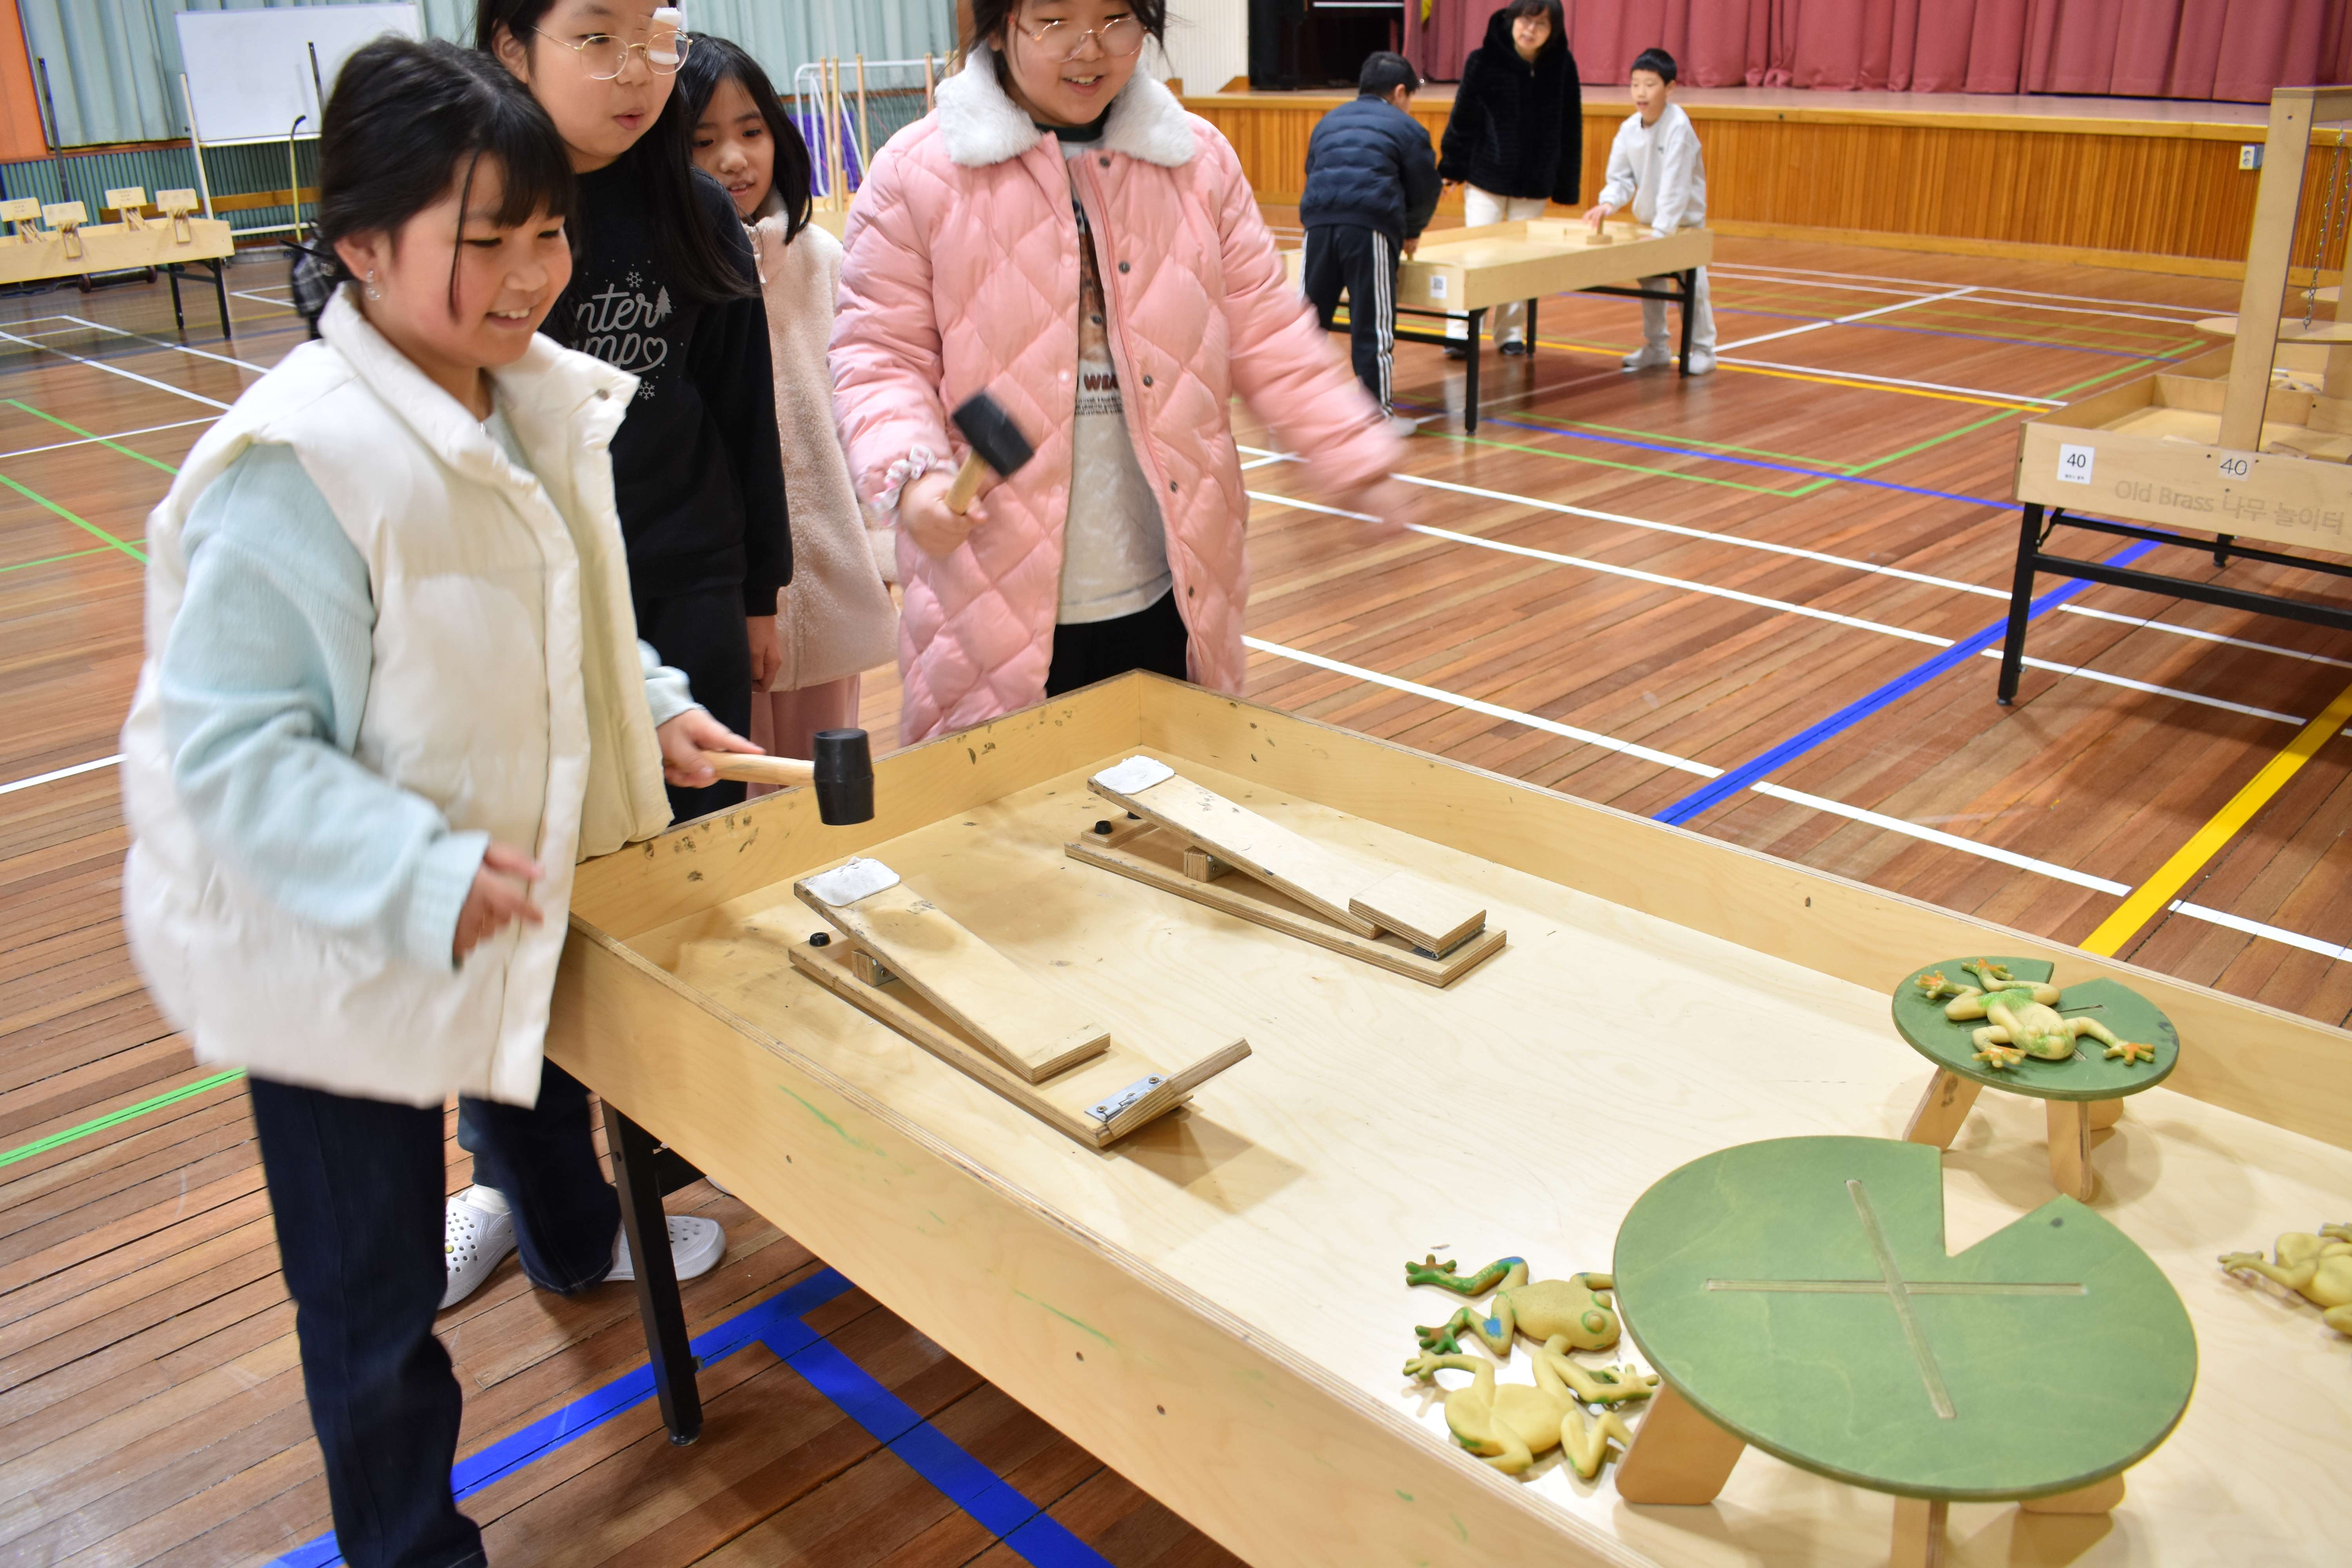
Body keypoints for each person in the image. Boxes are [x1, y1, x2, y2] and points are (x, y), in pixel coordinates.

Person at [118, 39, 762, 1567]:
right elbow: (235, 755)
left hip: (482, 874)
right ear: (358, 244)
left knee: (532, 1079)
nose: (530, 271)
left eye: (546, 231)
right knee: (372, 1294)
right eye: (484, 239)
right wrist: (418, 871)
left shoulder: (529, 398)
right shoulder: (300, 460)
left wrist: (656, 708)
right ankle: (410, 1544)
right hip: (320, 930)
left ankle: (569, 1238)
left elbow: (566, 616)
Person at [831, 0, 1407, 745]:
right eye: (1055, 20)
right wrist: (912, 479)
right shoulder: (917, 172)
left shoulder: (1197, 159)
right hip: (990, 596)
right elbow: (879, 356)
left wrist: (1352, 448)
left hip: (1174, 578)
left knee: (1166, 810)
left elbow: (1267, 326)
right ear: (1002, 25)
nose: (1090, 48)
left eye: (1116, 19)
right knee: (1009, 832)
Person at [479, 0, 789, 822]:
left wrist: (760, 589)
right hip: (539, 589)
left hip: (692, 577)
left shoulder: (698, 208)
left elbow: (743, 409)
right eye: (596, 38)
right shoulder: (477, 220)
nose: (637, 70)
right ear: (513, 48)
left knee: (707, 824)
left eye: (654, 40)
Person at [681, 37, 898, 769]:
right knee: (740, 796)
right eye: (703, 140)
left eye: (751, 131)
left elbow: (858, 411)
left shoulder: (823, 261)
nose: (735, 159)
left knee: (827, 794)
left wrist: (885, 549)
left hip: (830, 593)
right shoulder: (678, 272)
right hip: (724, 604)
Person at [1299, 50, 1441, 426]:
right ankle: (1377, 419)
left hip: (1318, 224)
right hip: (1369, 226)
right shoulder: (1407, 128)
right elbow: (1426, 189)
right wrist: (1412, 231)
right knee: (1372, 324)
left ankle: (1295, 417)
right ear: (1399, 92)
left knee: (1306, 324)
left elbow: (1313, 169)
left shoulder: (1328, 122)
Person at [1436, 0, 1580, 355]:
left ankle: (1510, 333)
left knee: (1521, 262)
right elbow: (1463, 117)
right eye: (1525, 22)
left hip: (1534, 183)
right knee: (1477, 255)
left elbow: (1570, 126)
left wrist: (1565, 183)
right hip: (1486, 176)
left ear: (1553, 32)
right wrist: (1452, 166)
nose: (1530, 31)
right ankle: (1461, 331)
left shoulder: (1562, 66)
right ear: (1511, 20)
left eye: (1541, 25)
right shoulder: (1482, 61)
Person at [1584, 46, 1716, 374]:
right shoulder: (1629, 128)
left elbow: (1676, 186)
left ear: (1670, 88)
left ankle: (1704, 349)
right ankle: (1657, 347)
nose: (1641, 93)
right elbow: (1621, 177)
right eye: (1635, 84)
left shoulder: (1678, 127)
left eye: (1650, 84)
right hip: (1650, 223)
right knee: (1652, 283)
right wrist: (1608, 202)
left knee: (1692, 284)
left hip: (1683, 225)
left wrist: (1663, 232)